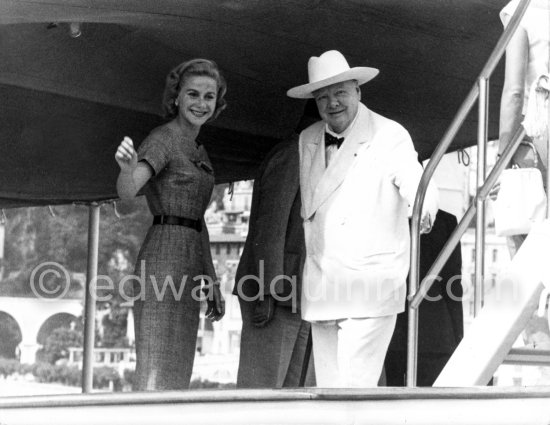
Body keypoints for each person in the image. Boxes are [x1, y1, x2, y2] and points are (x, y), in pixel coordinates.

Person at [286, 50, 438, 387]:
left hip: (370, 282)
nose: (332, 103)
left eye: (340, 92)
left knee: (354, 392)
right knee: (329, 391)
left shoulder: (389, 134)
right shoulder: (308, 139)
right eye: (322, 96)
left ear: (358, 90)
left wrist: (423, 207)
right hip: (322, 284)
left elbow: (414, 179)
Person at [114, 59, 226, 390]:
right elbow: (129, 190)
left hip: (191, 261)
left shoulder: (198, 149)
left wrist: (212, 279)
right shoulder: (163, 138)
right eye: (193, 94)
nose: (201, 104)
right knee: (155, 364)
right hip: (163, 256)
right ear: (176, 97)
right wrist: (125, 168)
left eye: (209, 96)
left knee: (178, 367)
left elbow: (198, 219)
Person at [234, 137, 315, 388]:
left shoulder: (312, 152)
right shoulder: (293, 153)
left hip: (299, 294)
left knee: (291, 396)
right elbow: (271, 222)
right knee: (260, 390)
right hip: (277, 293)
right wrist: (266, 291)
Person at [384, 209, 464, 386]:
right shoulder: (446, 221)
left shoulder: (385, 216)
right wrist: (458, 336)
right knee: (429, 405)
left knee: (389, 405)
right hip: (434, 332)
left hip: (390, 330)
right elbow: (453, 285)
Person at [497, 0, 550, 255]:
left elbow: (514, 92)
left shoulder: (521, 9)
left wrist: (501, 159)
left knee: (526, 239)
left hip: (538, 131)